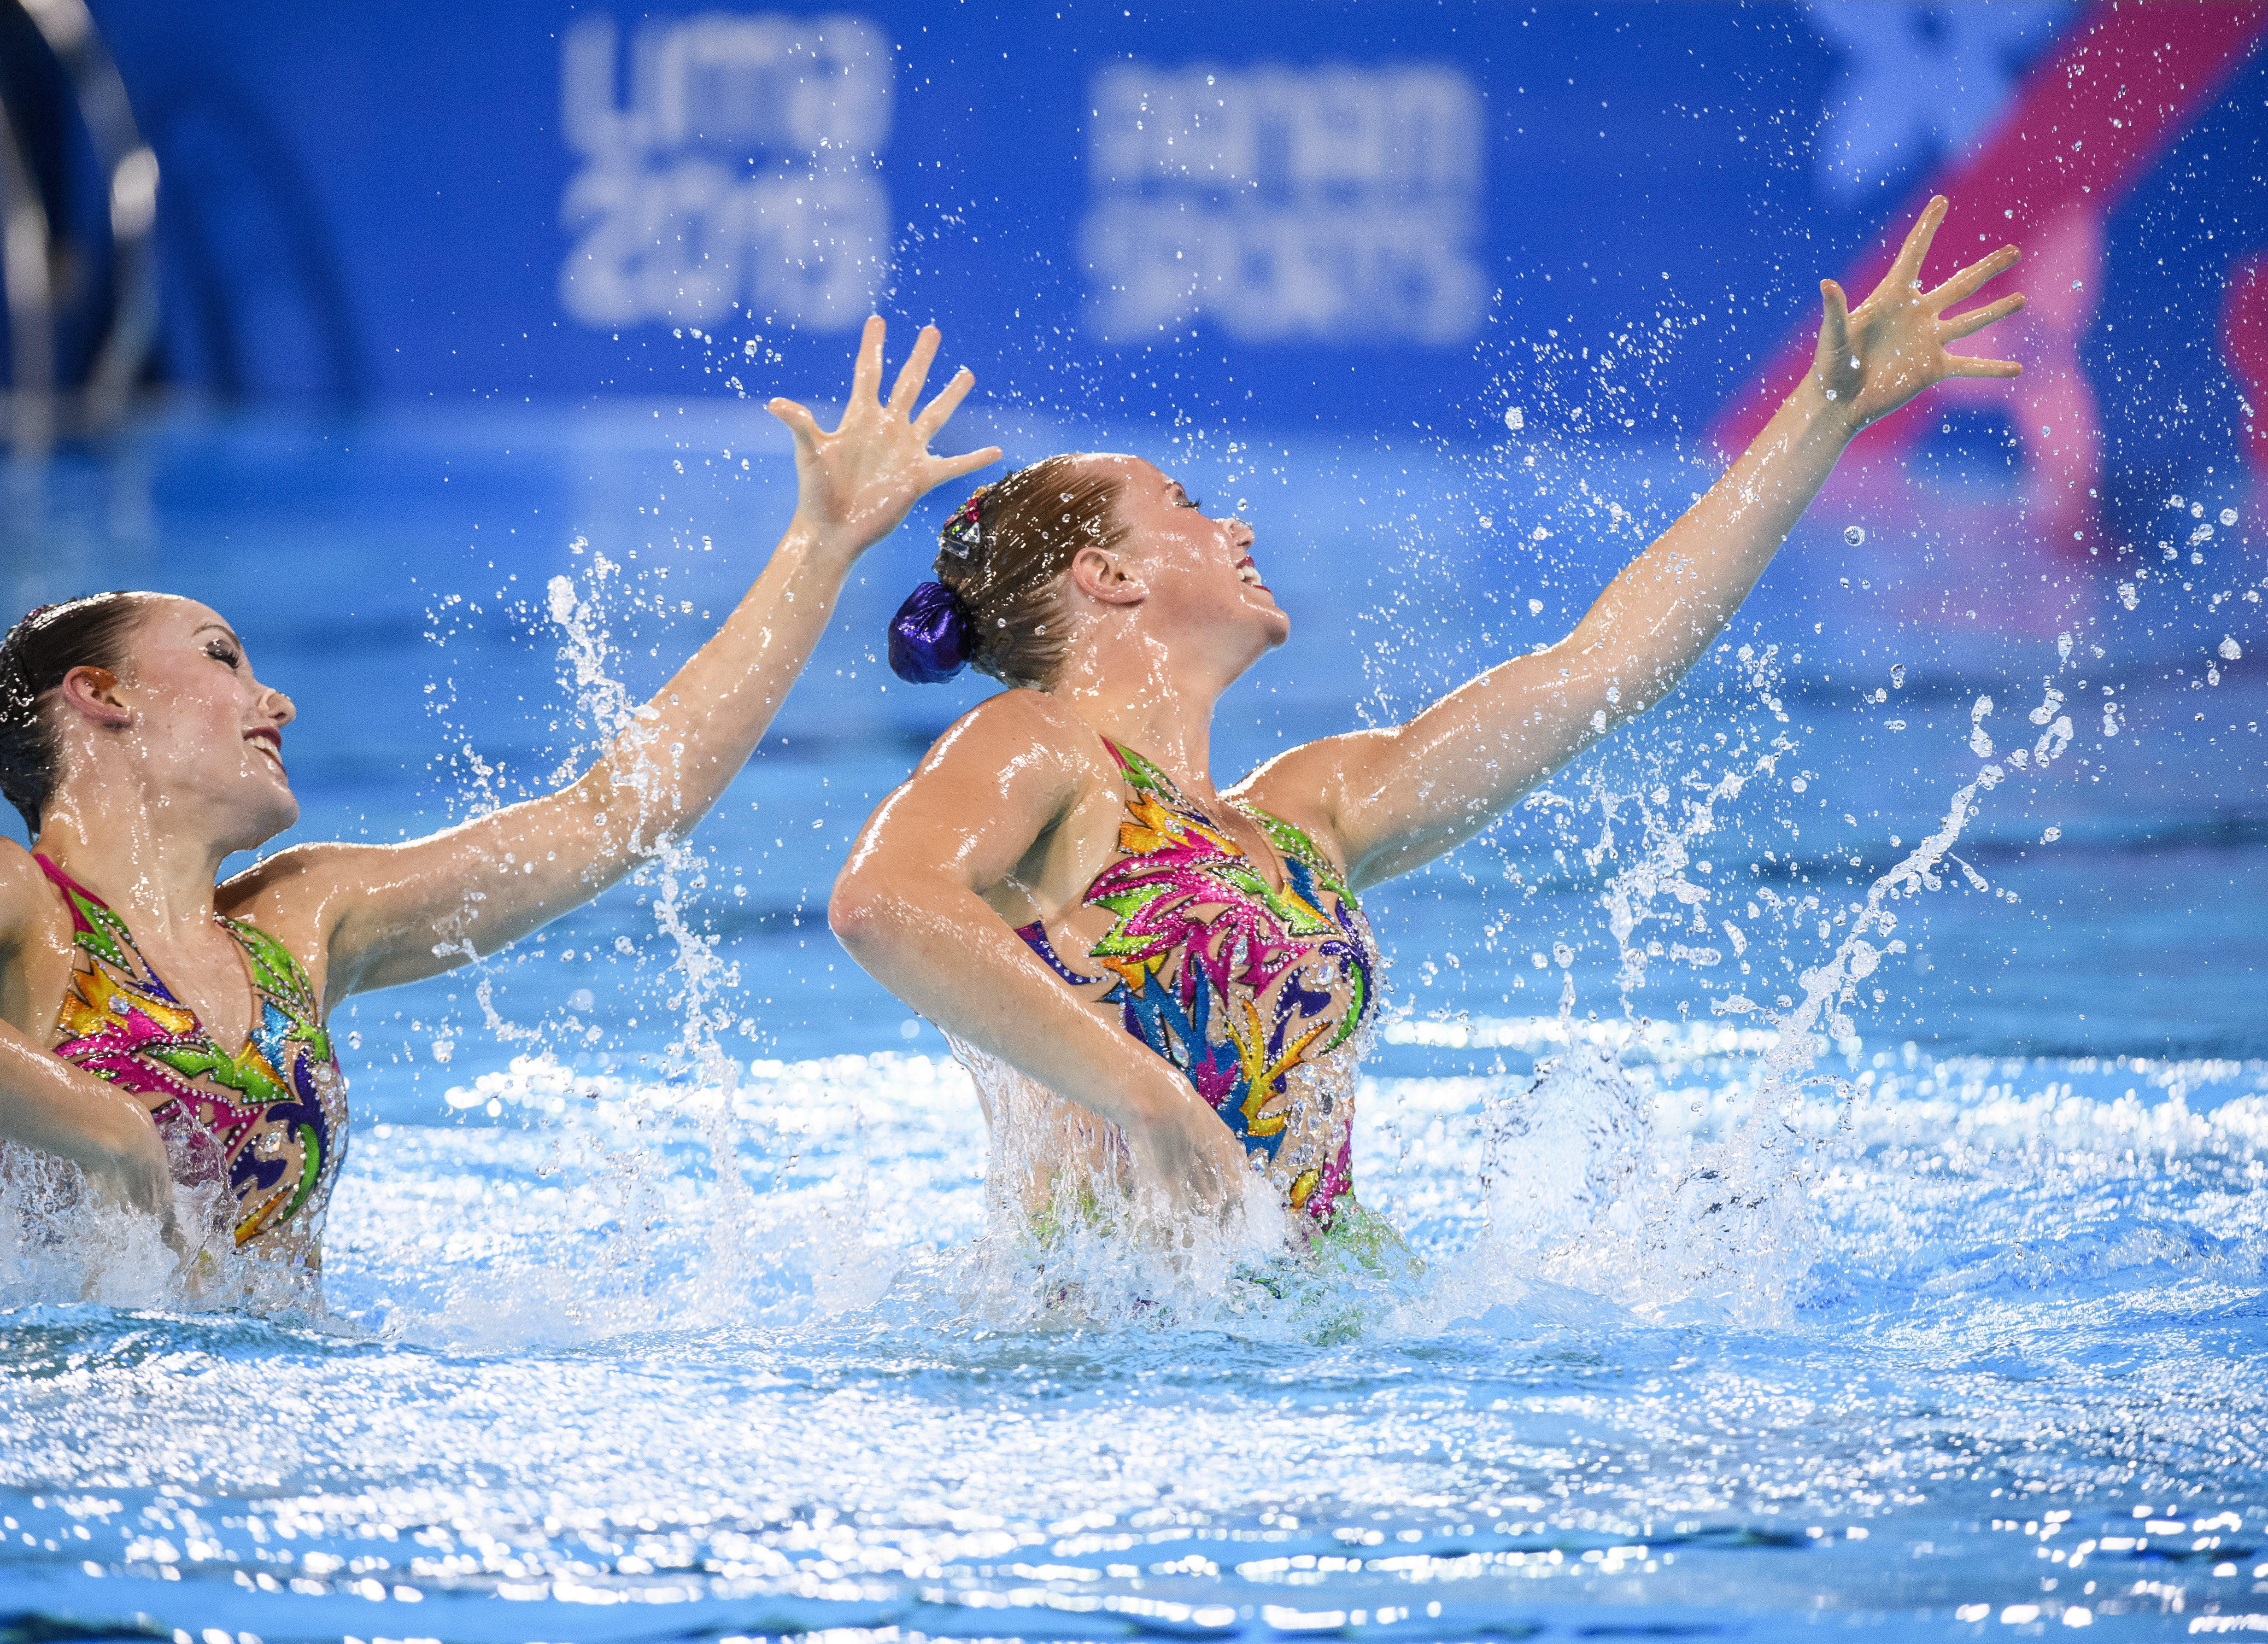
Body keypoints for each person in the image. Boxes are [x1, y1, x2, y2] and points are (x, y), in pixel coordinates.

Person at [829, 199, 2025, 1253]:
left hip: (1303, 1335)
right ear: (1108, 577)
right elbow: (884, 904)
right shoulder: (1037, 746)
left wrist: (1823, 417)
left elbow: (1601, 668)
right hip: (1101, 1370)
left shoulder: (1307, 816)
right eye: (1186, 508)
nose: (1234, 528)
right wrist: (1146, 1098)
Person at [0, 318, 998, 1273]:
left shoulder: (302, 924)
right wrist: (97, 1121)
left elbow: (619, 811)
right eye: (222, 657)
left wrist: (820, 543)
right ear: (103, 698)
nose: (276, 700)